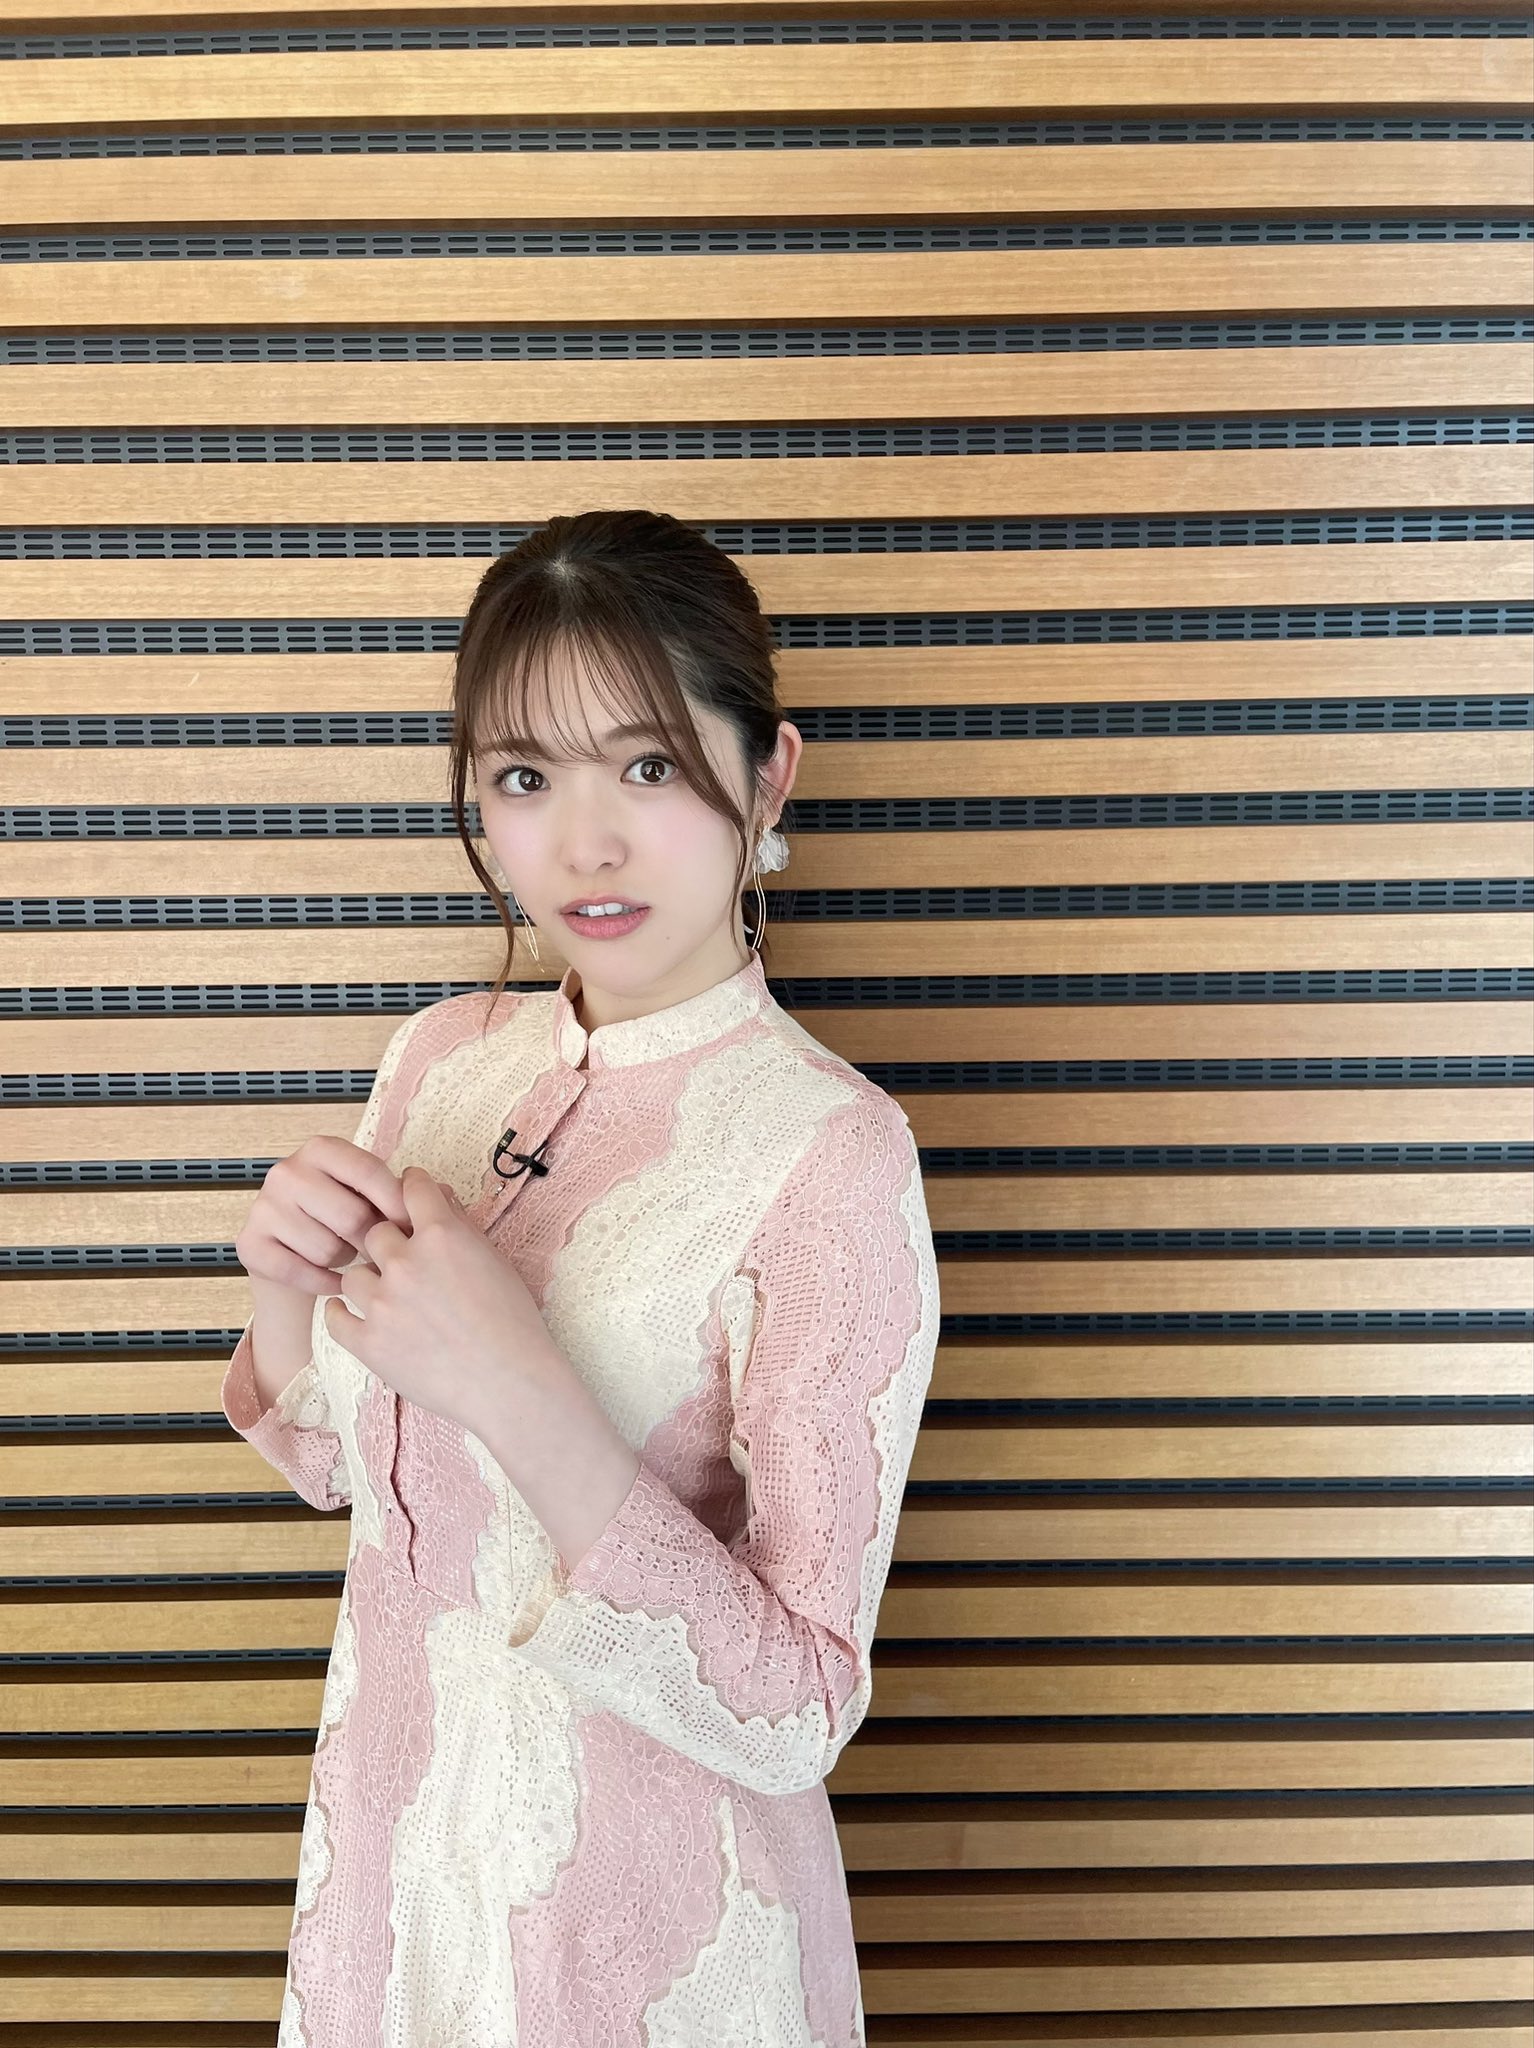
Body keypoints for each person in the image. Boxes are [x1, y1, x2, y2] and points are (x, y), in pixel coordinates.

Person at [222, 507, 942, 2047]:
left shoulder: (830, 1156)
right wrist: (285, 1287)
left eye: (649, 766)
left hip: (648, 1947)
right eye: (523, 778)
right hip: (394, 1896)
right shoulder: (435, 1060)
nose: (584, 844)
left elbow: (800, 1708)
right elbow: (351, 1477)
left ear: (768, 776)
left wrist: (519, 1386)